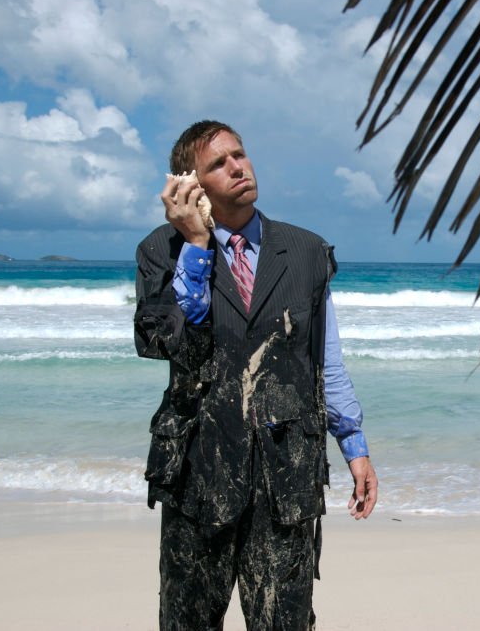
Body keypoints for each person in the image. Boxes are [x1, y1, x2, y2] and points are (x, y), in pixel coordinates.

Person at [134, 120, 377, 630]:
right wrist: (197, 245)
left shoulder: (307, 251)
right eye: (218, 164)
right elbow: (160, 343)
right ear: (191, 184)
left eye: (239, 155)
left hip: (285, 475)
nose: (238, 167)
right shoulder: (162, 251)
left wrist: (353, 443)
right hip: (198, 471)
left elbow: (324, 358)